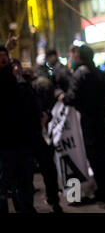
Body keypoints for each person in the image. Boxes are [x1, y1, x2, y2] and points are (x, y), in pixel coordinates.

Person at [62, 44, 105, 205]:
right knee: (104, 154)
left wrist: (63, 98)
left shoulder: (80, 74)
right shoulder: (100, 73)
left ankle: (103, 192)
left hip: (89, 120)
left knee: (94, 155)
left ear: (79, 57)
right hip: (102, 118)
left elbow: (71, 97)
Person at [11, 60, 63, 213]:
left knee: (49, 167)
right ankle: (26, 206)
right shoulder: (8, 88)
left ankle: (53, 199)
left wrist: (44, 115)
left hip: (34, 134)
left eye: (18, 66)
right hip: (19, 138)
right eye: (13, 67)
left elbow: (38, 103)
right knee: (23, 176)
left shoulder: (29, 85)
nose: (16, 69)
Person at [0, 45, 39, 213]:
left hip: (23, 140)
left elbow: (31, 106)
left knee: (24, 182)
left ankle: (26, 208)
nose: (3, 59)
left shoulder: (20, 82)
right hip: (5, 143)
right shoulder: (6, 81)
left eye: (5, 56)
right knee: (5, 183)